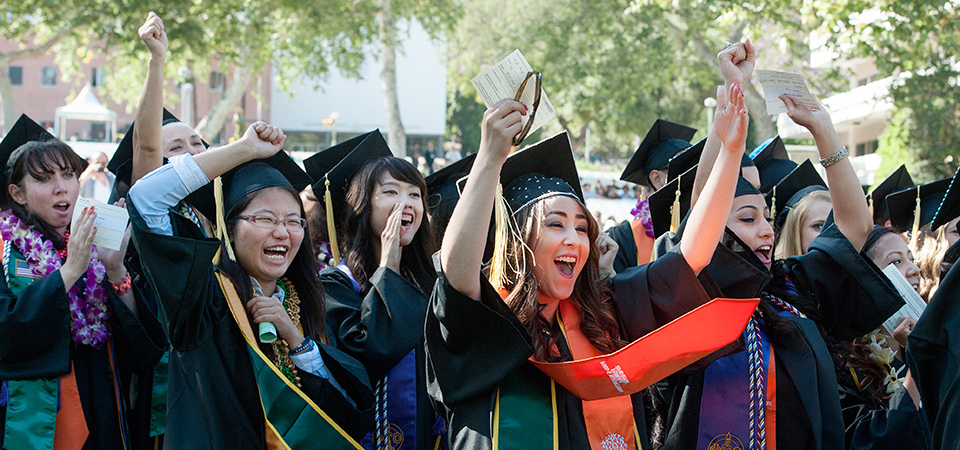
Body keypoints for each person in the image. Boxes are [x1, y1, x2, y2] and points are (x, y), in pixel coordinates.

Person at [426, 77, 750, 450]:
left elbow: (691, 254)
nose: (575, 239)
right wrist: (490, 158)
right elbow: (456, 273)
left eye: (582, 228)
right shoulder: (487, 323)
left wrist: (729, 150)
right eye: (555, 224)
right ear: (517, 239)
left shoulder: (603, 314)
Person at [651, 40, 904, 450]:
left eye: (766, 217)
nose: (767, 230)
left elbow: (855, 226)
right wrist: (730, 108)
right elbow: (702, 212)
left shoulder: (792, 292)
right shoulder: (694, 297)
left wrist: (822, 127)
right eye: (747, 219)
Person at [128, 122, 373, 448]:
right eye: (266, 219)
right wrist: (242, 150)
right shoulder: (202, 299)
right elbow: (146, 199)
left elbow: (345, 414)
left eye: (292, 221)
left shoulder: (304, 304)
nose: (283, 233)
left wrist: (295, 338)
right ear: (229, 228)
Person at [0, 114, 166, 449]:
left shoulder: (91, 243)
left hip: (102, 406)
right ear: (17, 194)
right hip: (43, 417)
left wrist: (115, 268)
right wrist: (69, 272)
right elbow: (7, 331)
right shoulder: (5, 251)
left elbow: (142, 348)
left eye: (69, 175)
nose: (62, 187)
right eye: (44, 179)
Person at [313, 144, 444, 450]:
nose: (406, 203)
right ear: (363, 205)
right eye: (391, 192)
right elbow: (368, 356)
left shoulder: (431, 283)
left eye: (415, 194)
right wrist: (389, 266)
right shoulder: (335, 285)